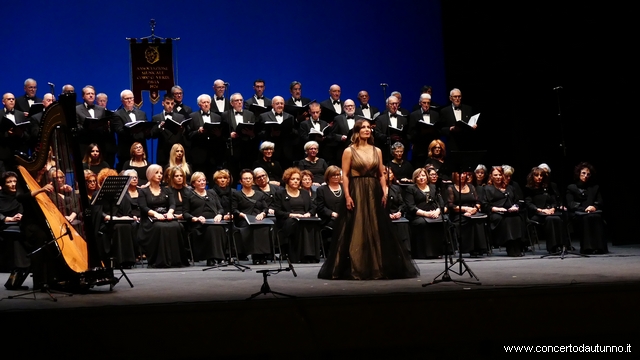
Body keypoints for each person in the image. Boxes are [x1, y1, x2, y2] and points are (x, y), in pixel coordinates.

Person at [318, 119, 419, 280]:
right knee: (356, 227)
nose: (367, 130)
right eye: (363, 127)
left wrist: (385, 191)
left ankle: (377, 266)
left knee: (376, 227)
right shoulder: (349, 151)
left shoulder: (377, 150)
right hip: (356, 190)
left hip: (374, 190)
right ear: (356, 132)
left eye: (368, 127)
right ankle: (356, 267)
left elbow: (380, 174)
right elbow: (345, 175)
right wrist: (348, 195)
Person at [137, 164, 188, 268]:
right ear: (150, 175)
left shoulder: (167, 190)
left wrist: (170, 212)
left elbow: (172, 204)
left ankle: (176, 260)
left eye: (160, 173)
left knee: (176, 226)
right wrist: (156, 214)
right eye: (156, 173)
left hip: (166, 216)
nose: (159, 175)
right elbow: (143, 207)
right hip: (150, 219)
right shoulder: (143, 191)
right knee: (160, 227)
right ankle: (159, 260)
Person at [273, 167, 319, 263]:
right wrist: (291, 215)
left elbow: (313, 207)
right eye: (293, 179)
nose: (296, 181)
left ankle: (311, 255)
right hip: (288, 219)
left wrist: (309, 213)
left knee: (312, 223)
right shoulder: (280, 193)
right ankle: (299, 256)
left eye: (298, 179)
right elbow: (277, 211)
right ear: (287, 180)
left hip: (304, 217)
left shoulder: (305, 193)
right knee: (296, 224)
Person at [184, 171, 227, 265]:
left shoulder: (212, 193)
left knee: (218, 227)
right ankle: (211, 258)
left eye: (204, 180)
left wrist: (219, 214)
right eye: (199, 181)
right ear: (193, 183)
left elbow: (220, 208)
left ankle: (219, 257)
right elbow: (185, 213)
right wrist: (195, 218)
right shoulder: (189, 195)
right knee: (212, 229)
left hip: (214, 221)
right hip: (199, 224)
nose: (202, 182)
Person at [232, 169, 272, 265]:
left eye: (250, 178)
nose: (248, 180)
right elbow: (234, 210)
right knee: (252, 227)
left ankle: (263, 255)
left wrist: (262, 214)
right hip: (244, 219)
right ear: (241, 181)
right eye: (245, 178)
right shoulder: (236, 195)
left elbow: (265, 208)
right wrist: (243, 215)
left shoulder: (260, 194)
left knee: (262, 226)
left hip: (258, 218)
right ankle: (255, 255)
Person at [483, 166, 524, 257]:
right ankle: (510, 247)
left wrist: (516, 206)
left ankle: (516, 246)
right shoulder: (487, 189)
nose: (498, 177)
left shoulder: (510, 187)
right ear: (491, 176)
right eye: (495, 175)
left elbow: (518, 201)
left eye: (500, 175)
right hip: (496, 213)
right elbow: (485, 205)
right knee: (505, 220)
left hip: (510, 212)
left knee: (517, 218)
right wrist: (496, 209)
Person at [404, 168, 445, 259]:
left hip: (433, 214)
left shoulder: (433, 187)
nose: (421, 178)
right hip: (417, 215)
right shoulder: (410, 189)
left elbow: (441, 203)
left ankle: (437, 252)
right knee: (422, 223)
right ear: (415, 178)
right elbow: (411, 207)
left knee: (442, 221)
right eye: (418, 176)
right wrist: (425, 214)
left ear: (427, 177)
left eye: (423, 175)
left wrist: (437, 212)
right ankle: (423, 253)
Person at [566, 162, 606, 254]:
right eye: (583, 173)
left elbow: (600, 201)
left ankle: (599, 248)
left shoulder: (595, 187)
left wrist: (594, 207)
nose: (586, 176)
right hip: (578, 212)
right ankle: (587, 248)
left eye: (588, 174)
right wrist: (584, 209)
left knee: (597, 217)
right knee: (586, 218)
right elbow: (571, 204)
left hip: (592, 211)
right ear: (579, 173)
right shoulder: (572, 187)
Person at [525, 167, 567, 253]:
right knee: (550, 219)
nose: (539, 177)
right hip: (536, 214)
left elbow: (554, 201)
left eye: (541, 175)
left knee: (557, 218)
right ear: (532, 177)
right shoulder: (528, 189)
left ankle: (561, 246)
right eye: (537, 175)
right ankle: (553, 247)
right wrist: (540, 210)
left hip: (550, 212)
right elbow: (529, 204)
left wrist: (553, 208)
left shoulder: (548, 188)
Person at [447, 171, 487, 256]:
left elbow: (478, 201)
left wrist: (475, 209)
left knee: (478, 220)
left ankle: (480, 248)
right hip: (458, 214)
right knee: (467, 221)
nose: (462, 176)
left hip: (472, 211)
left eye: (464, 174)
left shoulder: (471, 187)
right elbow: (451, 205)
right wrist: (465, 209)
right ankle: (469, 248)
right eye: (459, 174)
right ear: (455, 175)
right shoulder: (451, 188)